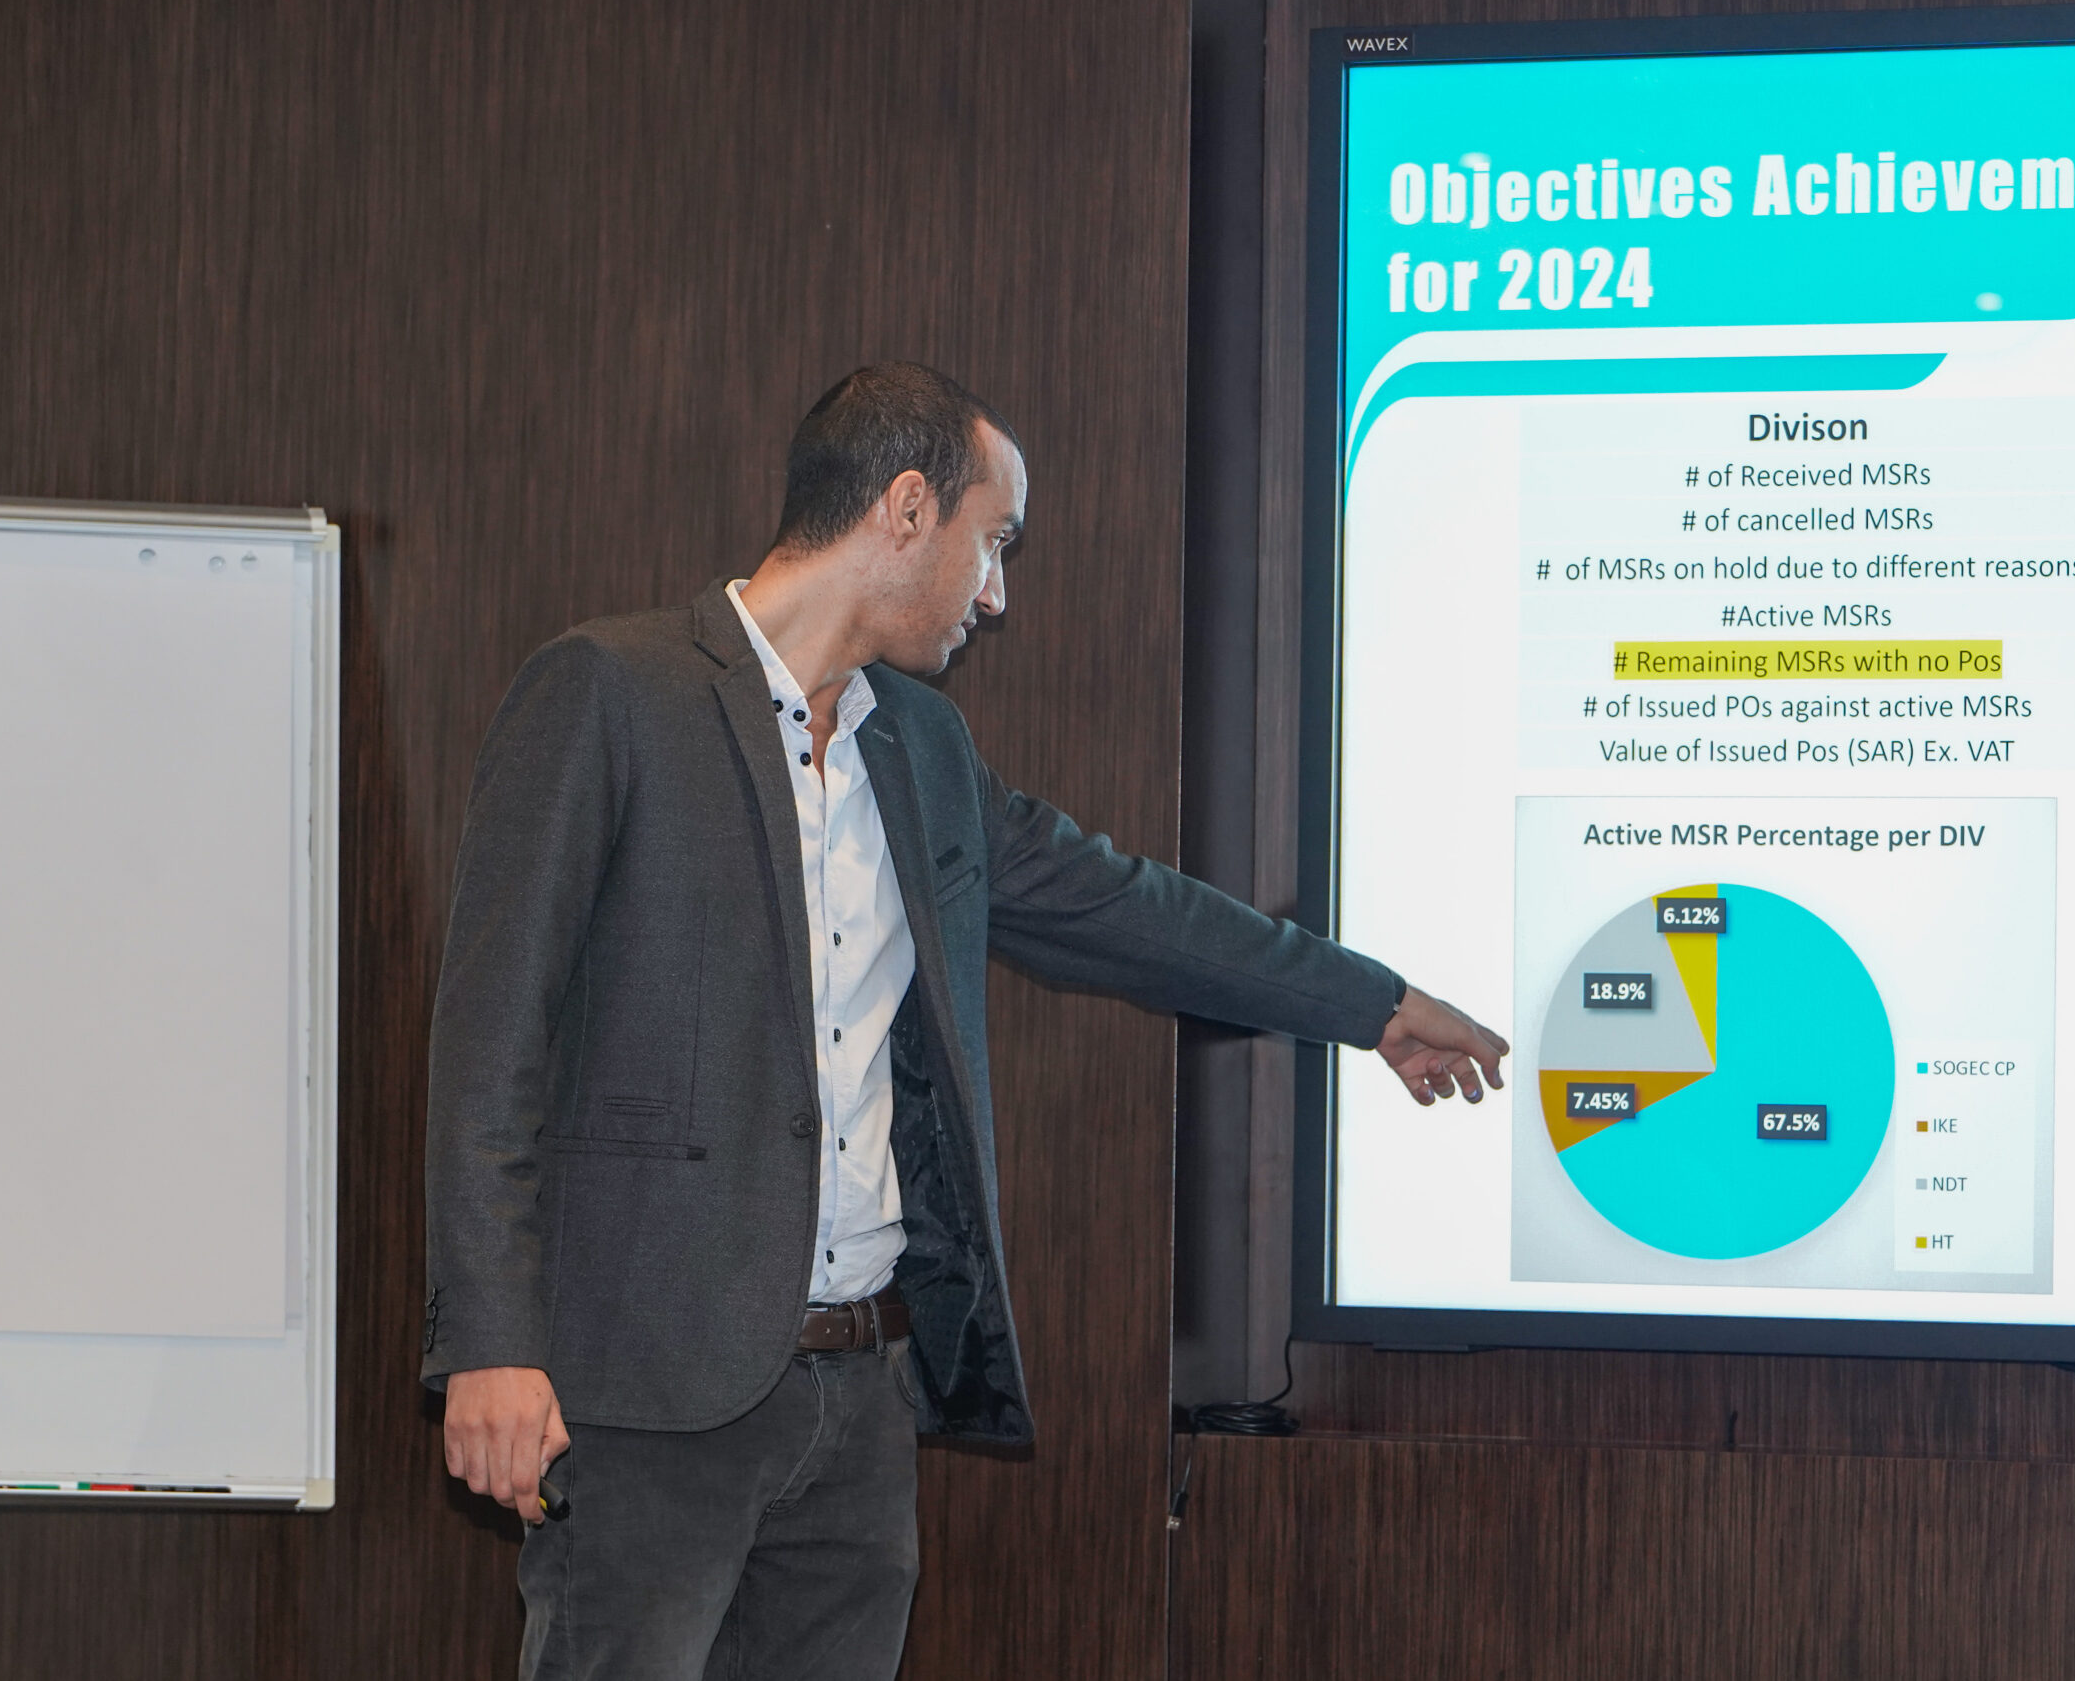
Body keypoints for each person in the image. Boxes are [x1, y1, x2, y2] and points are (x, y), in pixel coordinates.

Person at [421, 362, 1505, 1679]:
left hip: (862, 1397)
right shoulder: (610, 689)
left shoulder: (922, 749)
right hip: (650, 1393)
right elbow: (489, 1047)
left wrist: (1371, 1003)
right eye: (994, 542)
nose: (996, 593)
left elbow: (1127, 909)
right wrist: (491, 1346)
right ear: (906, 508)